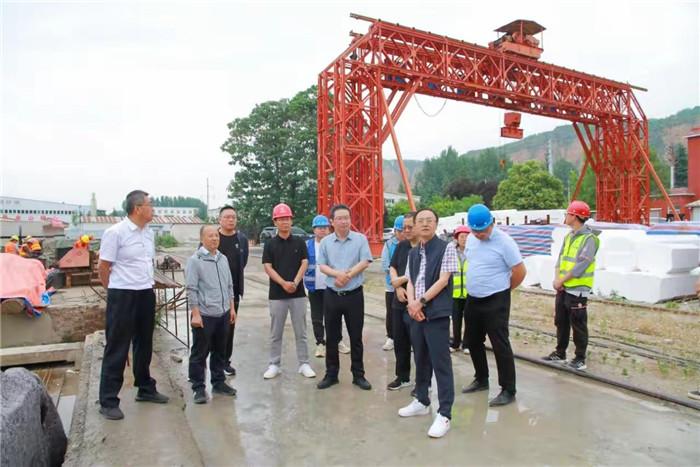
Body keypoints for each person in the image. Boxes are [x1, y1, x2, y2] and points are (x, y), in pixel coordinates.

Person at [97, 190, 169, 421]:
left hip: (145, 292)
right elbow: (103, 267)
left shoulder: (148, 232)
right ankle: (108, 400)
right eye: (150, 204)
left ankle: (145, 388)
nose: (153, 208)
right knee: (117, 346)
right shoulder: (115, 232)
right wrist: (113, 291)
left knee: (144, 343)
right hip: (123, 294)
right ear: (137, 208)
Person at [398, 208, 458, 439]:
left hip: (436, 313)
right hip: (417, 313)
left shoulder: (446, 248)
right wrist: (412, 305)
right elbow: (411, 280)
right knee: (420, 358)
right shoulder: (414, 252)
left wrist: (420, 302)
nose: (425, 224)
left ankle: (444, 414)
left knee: (440, 363)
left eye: (429, 220)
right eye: (420, 221)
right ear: (414, 225)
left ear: (436, 224)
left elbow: (443, 280)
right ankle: (422, 400)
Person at [461, 204, 525, 407]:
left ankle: (508, 389)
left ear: (492, 223)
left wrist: (503, 290)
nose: (479, 234)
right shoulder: (471, 239)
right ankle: (481, 379)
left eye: (483, 230)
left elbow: (520, 271)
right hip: (473, 298)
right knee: (472, 341)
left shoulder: (505, 242)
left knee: (499, 344)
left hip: (496, 300)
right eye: (475, 230)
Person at [316, 204, 373, 391]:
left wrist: (347, 276)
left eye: (346, 217)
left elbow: (365, 261)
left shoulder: (360, 239)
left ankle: (359, 375)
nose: (344, 221)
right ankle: (331, 375)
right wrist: (337, 275)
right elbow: (322, 265)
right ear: (332, 222)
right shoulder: (326, 242)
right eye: (339, 218)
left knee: (356, 336)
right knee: (332, 337)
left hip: (354, 295)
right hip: (332, 295)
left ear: (350, 219)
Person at [542, 201, 599, 370]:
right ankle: (560, 352)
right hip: (564, 287)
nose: (565, 217)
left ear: (575, 216)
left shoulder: (589, 239)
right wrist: (557, 280)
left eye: (567, 214)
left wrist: (561, 281)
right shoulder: (568, 237)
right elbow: (560, 259)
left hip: (578, 289)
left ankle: (580, 358)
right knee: (561, 321)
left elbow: (581, 266)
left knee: (578, 324)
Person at [262, 203, 315, 379]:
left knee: (301, 332)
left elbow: (304, 263)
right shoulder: (270, 244)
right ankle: (274, 364)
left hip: (298, 294)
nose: (284, 222)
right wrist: (283, 283)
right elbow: (268, 267)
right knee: (275, 333)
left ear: (291, 220)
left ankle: (304, 363)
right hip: (277, 295)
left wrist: (295, 282)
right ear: (275, 222)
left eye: (287, 219)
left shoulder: (300, 243)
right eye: (280, 219)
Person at [186, 225, 237, 404]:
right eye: (210, 236)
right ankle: (198, 388)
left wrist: (231, 308)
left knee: (219, 351)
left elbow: (229, 285)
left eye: (216, 235)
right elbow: (191, 289)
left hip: (223, 313)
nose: (215, 238)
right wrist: (195, 314)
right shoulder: (195, 261)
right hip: (205, 314)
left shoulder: (223, 259)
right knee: (199, 353)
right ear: (202, 239)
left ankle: (218, 382)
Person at [304, 215, 350, 358]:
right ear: (314, 230)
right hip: (314, 287)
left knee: (335, 316)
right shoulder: (307, 245)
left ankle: (338, 341)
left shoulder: (335, 244)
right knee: (317, 317)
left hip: (332, 287)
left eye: (325, 228)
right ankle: (320, 344)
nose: (322, 230)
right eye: (319, 228)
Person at [216, 205, 249, 376]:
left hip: (233, 291)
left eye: (234, 217)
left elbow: (243, 261)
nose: (231, 220)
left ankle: (225, 361)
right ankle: (211, 362)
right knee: (212, 329)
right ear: (219, 219)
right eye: (227, 217)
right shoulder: (213, 236)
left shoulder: (241, 239)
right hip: (213, 292)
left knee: (229, 327)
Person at [388, 211, 418, 391]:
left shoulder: (424, 247)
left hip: (419, 303)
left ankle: (423, 381)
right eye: (404, 227)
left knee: (420, 343)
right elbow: (392, 266)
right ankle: (402, 376)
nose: (406, 230)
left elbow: (421, 272)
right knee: (400, 341)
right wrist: (398, 287)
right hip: (399, 301)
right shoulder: (401, 246)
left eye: (409, 227)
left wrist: (401, 280)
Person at [381, 216, 405, 351]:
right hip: (391, 286)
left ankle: (408, 339)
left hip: (408, 287)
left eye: (403, 230)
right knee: (391, 313)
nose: (401, 233)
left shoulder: (412, 244)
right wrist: (396, 281)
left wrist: (403, 280)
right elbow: (386, 264)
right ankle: (391, 337)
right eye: (399, 231)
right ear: (395, 231)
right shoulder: (389, 244)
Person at [451, 225, 471, 354]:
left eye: (466, 237)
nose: (464, 239)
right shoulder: (452, 253)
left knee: (469, 320)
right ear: (457, 239)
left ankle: (467, 344)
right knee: (456, 320)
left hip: (470, 292)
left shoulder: (473, 252)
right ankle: (455, 343)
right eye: (461, 237)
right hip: (455, 293)